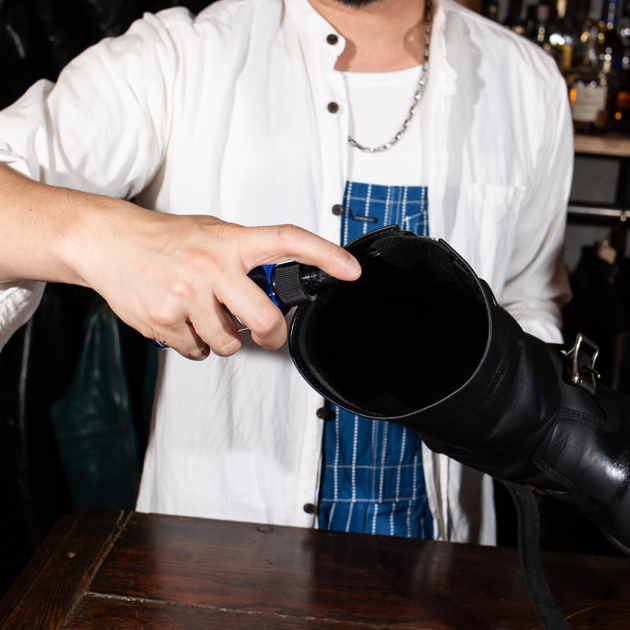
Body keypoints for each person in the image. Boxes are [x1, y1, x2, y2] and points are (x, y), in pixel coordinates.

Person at [0, 0, 572, 544]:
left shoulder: (526, 81)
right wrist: (108, 237)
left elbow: (530, 296)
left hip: (445, 553)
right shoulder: (182, 56)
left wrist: (530, 425)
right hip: (217, 553)